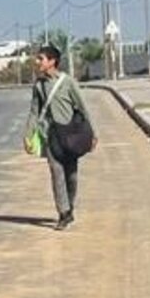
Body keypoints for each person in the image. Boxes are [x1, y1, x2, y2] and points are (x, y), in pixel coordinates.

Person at [26, 46, 96, 230]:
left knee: (71, 175)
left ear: (52, 61)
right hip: (51, 135)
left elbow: (82, 107)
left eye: (41, 59)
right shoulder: (39, 85)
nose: (37, 62)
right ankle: (63, 213)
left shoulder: (68, 82)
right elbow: (34, 111)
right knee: (56, 172)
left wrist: (93, 133)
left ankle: (70, 206)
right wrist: (28, 135)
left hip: (71, 135)